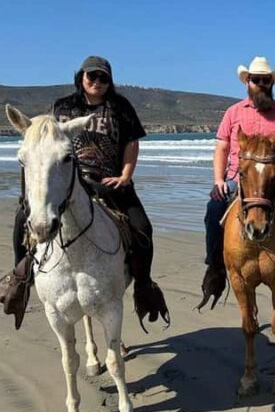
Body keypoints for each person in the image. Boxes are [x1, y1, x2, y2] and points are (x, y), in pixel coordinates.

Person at [12, 55, 170, 326]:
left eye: (103, 78)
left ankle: (143, 285)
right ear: (81, 78)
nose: (97, 82)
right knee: (21, 221)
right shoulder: (62, 107)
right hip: (71, 181)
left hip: (111, 182)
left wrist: (125, 175)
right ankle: (19, 279)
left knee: (142, 228)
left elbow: (131, 143)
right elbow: (44, 142)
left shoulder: (120, 107)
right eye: (91, 76)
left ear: (110, 81)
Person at [199, 56, 275, 308]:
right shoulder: (233, 113)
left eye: (266, 80)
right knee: (213, 209)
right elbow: (222, 147)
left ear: (271, 83)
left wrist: (273, 160)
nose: (261, 84)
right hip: (240, 173)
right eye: (256, 80)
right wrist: (218, 179)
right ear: (248, 82)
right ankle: (215, 267)